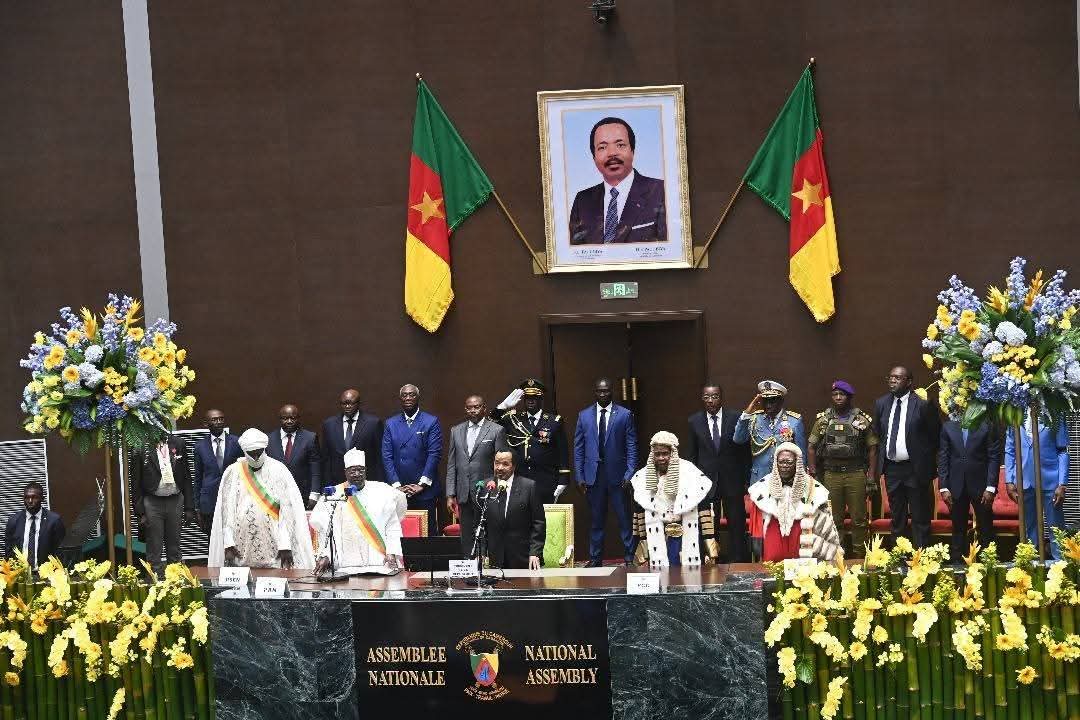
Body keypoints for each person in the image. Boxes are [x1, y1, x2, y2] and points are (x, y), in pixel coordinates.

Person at [208, 429, 314, 569]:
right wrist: (228, 544)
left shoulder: (279, 469)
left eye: (259, 452)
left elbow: (288, 510)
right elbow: (227, 510)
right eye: (251, 454)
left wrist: (285, 544)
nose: (256, 457)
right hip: (241, 547)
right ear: (244, 452)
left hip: (275, 545)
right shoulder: (233, 471)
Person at [806, 381, 878, 558]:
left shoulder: (861, 420)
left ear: (849, 397)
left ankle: (860, 558)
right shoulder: (824, 420)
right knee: (833, 519)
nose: (838, 397)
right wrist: (813, 473)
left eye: (842, 394)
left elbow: (873, 448)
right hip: (831, 475)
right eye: (835, 394)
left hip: (855, 474)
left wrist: (870, 477)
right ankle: (837, 558)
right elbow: (811, 447)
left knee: (859, 520)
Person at [568, 117, 666, 245]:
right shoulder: (582, 200)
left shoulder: (661, 191)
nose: (612, 153)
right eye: (602, 147)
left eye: (620, 145)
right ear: (594, 157)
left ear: (632, 151)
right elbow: (574, 253)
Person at [873, 366, 941, 548]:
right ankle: (899, 557)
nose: (892, 380)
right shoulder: (881, 404)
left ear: (909, 382)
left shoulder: (923, 405)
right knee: (897, 517)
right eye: (890, 377)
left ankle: (922, 557)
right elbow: (878, 434)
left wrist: (924, 462)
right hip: (892, 469)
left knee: (920, 517)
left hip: (915, 469)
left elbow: (935, 437)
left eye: (898, 378)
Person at [573, 378, 638, 567]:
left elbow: (632, 445)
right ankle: (595, 559)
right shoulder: (584, 415)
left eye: (606, 391)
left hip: (619, 476)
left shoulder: (624, 414)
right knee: (596, 520)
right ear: (595, 392)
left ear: (612, 392)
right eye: (600, 391)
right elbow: (579, 448)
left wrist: (630, 473)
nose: (603, 394)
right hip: (594, 476)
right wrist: (580, 476)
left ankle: (629, 557)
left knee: (624, 519)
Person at [310, 449, 406, 574]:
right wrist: (326, 555)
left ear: (366, 471)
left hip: (379, 563)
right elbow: (325, 531)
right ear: (345, 472)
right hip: (345, 566)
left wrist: (392, 552)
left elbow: (392, 527)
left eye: (360, 470)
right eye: (352, 471)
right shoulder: (334, 494)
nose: (357, 474)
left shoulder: (382, 492)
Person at [685, 384, 752, 562]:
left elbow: (745, 451)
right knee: (709, 524)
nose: (710, 401)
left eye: (714, 396)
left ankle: (738, 561)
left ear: (721, 398)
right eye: (707, 397)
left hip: (732, 479)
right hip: (706, 482)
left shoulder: (735, 418)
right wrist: (692, 481)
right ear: (702, 398)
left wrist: (746, 479)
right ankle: (712, 560)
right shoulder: (694, 421)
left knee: (736, 523)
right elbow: (692, 454)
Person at [629, 431, 714, 569]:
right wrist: (643, 543)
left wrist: (709, 541)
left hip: (686, 534)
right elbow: (639, 514)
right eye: (657, 454)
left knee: (690, 576)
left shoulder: (690, 472)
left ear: (673, 453)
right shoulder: (642, 477)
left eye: (665, 454)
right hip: (657, 535)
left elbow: (704, 509)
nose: (661, 458)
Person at [748, 442, 842, 562]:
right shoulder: (762, 487)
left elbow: (825, 525)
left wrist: (828, 551)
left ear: (797, 463)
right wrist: (757, 542)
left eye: (789, 462)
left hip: (802, 539)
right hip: (773, 537)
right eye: (781, 462)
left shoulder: (813, 487)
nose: (785, 465)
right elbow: (756, 520)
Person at [492, 379, 570, 505]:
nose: (530, 401)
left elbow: (563, 452)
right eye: (527, 398)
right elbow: (491, 423)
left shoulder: (553, 421)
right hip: (520, 479)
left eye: (534, 398)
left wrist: (563, 479)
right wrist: (502, 407)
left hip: (546, 479)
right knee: (521, 515)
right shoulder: (514, 419)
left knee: (544, 516)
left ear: (541, 399)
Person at [446, 395, 506, 556]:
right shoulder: (456, 430)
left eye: (477, 407)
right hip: (463, 491)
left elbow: (501, 463)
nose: (473, 410)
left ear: (484, 408)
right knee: (466, 533)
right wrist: (450, 494)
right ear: (465, 409)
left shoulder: (496, 430)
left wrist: (498, 486)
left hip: (487, 491)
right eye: (469, 407)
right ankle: (468, 564)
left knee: (487, 531)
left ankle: (487, 563)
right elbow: (451, 464)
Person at [381, 384, 442, 536]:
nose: (408, 398)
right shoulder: (390, 423)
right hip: (399, 489)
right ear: (400, 399)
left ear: (418, 397)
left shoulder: (431, 421)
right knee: (399, 534)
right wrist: (396, 485)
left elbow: (434, 454)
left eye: (412, 394)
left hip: (424, 490)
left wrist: (422, 484)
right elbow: (387, 456)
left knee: (427, 535)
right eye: (405, 395)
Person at [1005, 416, 1070, 560]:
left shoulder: (1055, 413)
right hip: (1024, 480)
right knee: (1029, 529)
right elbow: (1009, 449)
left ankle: (1061, 566)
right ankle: (1030, 567)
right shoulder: (1015, 413)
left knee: (1056, 529)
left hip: (1051, 481)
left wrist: (1062, 483)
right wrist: (1009, 480)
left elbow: (1063, 450)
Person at [938, 419, 1001, 562]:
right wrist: (944, 487)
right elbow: (943, 457)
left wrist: (991, 487)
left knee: (986, 528)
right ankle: (957, 565)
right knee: (958, 529)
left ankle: (988, 564)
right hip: (956, 486)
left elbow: (994, 457)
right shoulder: (948, 427)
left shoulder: (986, 424)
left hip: (982, 487)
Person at [131, 433, 194, 574]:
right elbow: (135, 482)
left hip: (175, 500)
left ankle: (176, 578)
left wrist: (189, 507)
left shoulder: (179, 443)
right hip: (152, 502)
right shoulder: (140, 445)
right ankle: (154, 579)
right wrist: (140, 513)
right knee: (154, 545)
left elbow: (187, 476)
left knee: (174, 544)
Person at [733, 380, 807, 485]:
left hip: (785, 479)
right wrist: (747, 414)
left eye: (772, 401)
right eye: (765, 401)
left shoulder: (794, 421)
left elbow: (801, 455)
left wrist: (800, 480)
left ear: (781, 401)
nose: (768, 405)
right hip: (759, 478)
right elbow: (738, 439)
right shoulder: (754, 419)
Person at [484, 450, 545, 570]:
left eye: (505, 464)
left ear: (514, 466)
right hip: (494, 559)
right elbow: (479, 524)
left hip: (523, 558)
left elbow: (539, 523)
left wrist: (535, 552)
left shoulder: (529, 486)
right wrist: (481, 552)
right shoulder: (487, 487)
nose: (499, 468)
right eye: (497, 463)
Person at [192, 409, 243, 533]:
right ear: (206, 424)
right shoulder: (200, 446)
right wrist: (197, 507)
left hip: (233, 498)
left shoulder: (236, 442)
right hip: (209, 502)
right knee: (212, 539)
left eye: (221, 419)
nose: (219, 422)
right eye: (214, 420)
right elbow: (198, 477)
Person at [321, 388, 383, 486]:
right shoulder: (329, 424)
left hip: (366, 481)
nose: (347, 406)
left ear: (358, 403)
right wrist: (327, 484)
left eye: (351, 403)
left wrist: (379, 483)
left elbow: (379, 456)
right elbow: (326, 458)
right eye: (344, 403)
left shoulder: (373, 423)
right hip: (337, 482)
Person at [265, 404, 322, 510]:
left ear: (298, 418)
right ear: (280, 419)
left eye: (293, 418)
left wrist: (314, 494)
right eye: (285, 418)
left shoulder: (310, 438)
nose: (289, 421)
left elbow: (315, 469)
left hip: (302, 494)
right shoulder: (269, 439)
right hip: (276, 495)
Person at [4, 482, 65, 570]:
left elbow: (60, 550)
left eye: (34, 497)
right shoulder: (14, 520)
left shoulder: (54, 520)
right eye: (27, 497)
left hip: (46, 573)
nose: (30, 501)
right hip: (20, 573)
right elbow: (8, 550)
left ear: (42, 498)